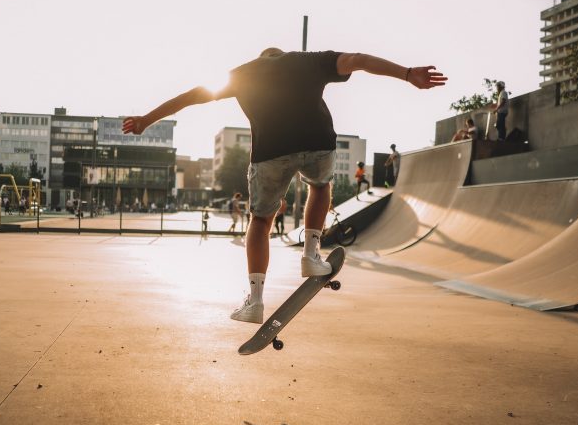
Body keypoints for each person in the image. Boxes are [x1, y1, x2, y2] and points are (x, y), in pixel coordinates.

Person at [122, 49, 446, 323]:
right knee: (320, 186)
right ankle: (311, 255)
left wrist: (146, 120)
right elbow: (358, 60)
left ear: (262, 58)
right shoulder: (308, 61)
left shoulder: (242, 74)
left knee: (261, 221)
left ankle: (255, 302)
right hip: (318, 144)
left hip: (269, 154)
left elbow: (192, 96)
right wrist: (407, 74)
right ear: (281, 54)